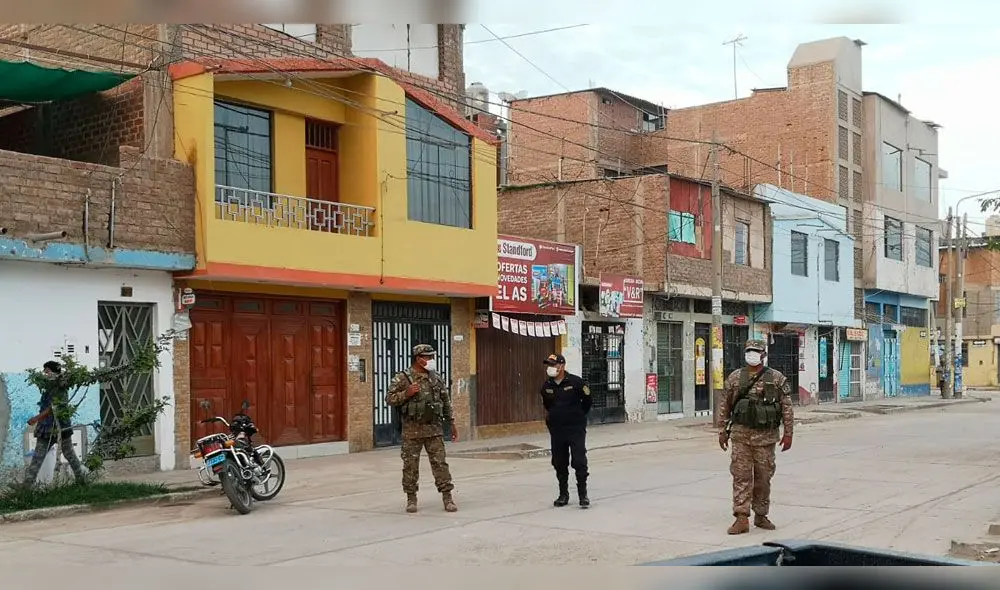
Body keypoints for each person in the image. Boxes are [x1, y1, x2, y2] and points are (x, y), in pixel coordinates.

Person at [717, 339, 794, 535]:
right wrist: (722, 431)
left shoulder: (776, 378)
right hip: (741, 436)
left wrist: (789, 433)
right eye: (749, 350)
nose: (752, 354)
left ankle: (761, 514)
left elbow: (787, 407)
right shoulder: (735, 378)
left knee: (763, 478)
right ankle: (741, 518)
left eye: (756, 351)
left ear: (764, 355)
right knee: (741, 477)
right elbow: (724, 405)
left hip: (766, 439)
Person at [385, 344, 458, 514]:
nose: (432, 360)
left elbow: (446, 402)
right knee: (410, 466)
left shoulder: (436, 378)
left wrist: (452, 423)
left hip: (434, 429)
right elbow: (389, 399)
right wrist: (407, 393)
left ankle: (447, 497)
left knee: (440, 464)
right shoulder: (403, 378)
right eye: (429, 357)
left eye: (432, 357)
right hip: (412, 431)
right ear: (419, 359)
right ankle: (411, 498)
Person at [22, 360, 89, 487]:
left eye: (47, 371)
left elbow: (53, 408)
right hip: (46, 427)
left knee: (69, 454)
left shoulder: (61, 387)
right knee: (38, 458)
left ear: (54, 372)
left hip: (60, 426)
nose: (45, 373)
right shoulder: (48, 386)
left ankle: (81, 481)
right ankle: (26, 486)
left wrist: (36, 418)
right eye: (45, 371)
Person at [540, 353, 592, 508]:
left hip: (575, 429)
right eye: (548, 365)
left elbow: (587, 401)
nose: (550, 368)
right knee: (559, 462)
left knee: (579, 460)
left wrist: (578, 416)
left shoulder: (576, 382)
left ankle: (583, 495)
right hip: (557, 430)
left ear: (562, 366)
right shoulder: (546, 387)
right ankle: (563, 494)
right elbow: (547, 406)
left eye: (553, 365)